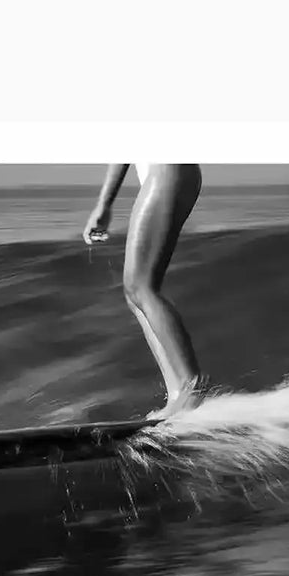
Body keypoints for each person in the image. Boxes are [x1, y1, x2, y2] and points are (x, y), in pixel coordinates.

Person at [83, 164, 203, 419]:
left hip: (167, 169)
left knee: (141, 286)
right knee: (134, 292)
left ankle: (191, 391)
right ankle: (178, 396)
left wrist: (103, 205)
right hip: (170, 172)